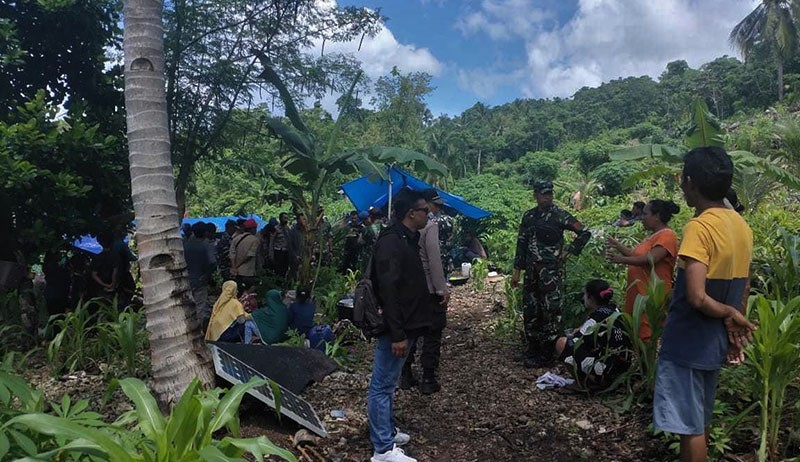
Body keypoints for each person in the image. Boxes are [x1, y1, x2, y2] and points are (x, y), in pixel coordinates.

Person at [654, 147, 755, 462]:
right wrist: (732, 323)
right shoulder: (741, 226)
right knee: (701, 419)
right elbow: (745, 283)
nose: (682, 185)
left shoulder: (699, 228)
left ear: (692, 183)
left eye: (684, 179)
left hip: (688, 342)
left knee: (690, 428)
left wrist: (728, 313)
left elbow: (696, 296)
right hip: (713, 342)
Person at [368, 189, 431, 462]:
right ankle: (382, 449)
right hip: (397, 328)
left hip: (409, 323)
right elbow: (389, 291)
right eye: (424, 210)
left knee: (389, 383)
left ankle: (387, 432)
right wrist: (397, 334)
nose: (428, 215)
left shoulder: (407, 239)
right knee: (382, 385)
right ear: (411, 214)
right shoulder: (391, 242)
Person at [511, 180, 591, 369]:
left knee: (551, 311)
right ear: (535, 195)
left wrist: (569, 250)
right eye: (543, 194)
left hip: (551, 274)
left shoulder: (559, 215)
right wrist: (517, 272)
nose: (546, 197)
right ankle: (532, 349)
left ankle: (548, 353)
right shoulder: (529, 216)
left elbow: (585, 232)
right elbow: (521, 244)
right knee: (531, 309)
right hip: (531, 273)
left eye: (549, 194)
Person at [606, 199, 680, 342]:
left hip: (650, 298)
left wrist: (620, 260)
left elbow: (650, 259)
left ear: (656, 216)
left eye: (645, 214)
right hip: (639, 295)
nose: (642, 218)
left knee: (647, 337)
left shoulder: (667, 236)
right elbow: (636, 255)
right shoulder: (652, 236)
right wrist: (616, 245)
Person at [400, 189, 450, 395]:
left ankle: (405, 374)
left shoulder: (400, 227)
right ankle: (428, 377)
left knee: (411, 331)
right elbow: (434, 260)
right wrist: (442, 289)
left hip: (409, 289)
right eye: (433, 206)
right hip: (428, 288)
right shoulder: (430, 227)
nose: (435, 210)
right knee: (432, 333)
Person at [555, 279, 631, 390]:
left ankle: (585, 383)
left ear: (591, 298)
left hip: (606, 371)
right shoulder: (614, 310)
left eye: (585, 295)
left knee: (562, 343)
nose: (583, 298)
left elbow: (576, 341)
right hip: (621, 368)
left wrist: (570, 336)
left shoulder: (595, 317)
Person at [184, 222, 214, 322]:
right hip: (201, 279)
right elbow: (212, 262)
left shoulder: (185, 245)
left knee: (187, 306)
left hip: (186, 279)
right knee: (200, 305)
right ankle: (199, 329)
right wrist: (208, 275)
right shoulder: (206, 245)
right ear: (205, 232)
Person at [88, 230, 120, 300]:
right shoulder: (115, 256)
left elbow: (94, 275)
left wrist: (105, 285)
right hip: (112, 286)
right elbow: (115, 272)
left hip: (99, 287)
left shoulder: (97, 257)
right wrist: (112, 284)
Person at [230, 218, 260, 290]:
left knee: (238, 292)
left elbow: (231, 254)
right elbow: (249, 256)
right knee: (249, 292)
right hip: (248, 272)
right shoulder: (255, 240)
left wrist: (234, 267)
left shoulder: (236, 238)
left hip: (237, 273)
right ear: (252, 229)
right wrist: (237, 265)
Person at [288, 213, 307, 283]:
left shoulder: (307, 231)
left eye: (305, 219)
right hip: (296, 257)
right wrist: (295, 256)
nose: (304, 221)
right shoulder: (293, 231)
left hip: (305, 257)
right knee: (295, 275)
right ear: (298, 220)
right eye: (303, 219)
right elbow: (290, 245)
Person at [272, 213, 291, 279]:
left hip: (286, 251)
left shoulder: (288, 228)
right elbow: (272, 240)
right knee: (278, 269)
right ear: (280, 219)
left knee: (285, 269)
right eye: (284, 218)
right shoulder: (276, 228)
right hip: (278, 251)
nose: (286, 220)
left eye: (287, 218)